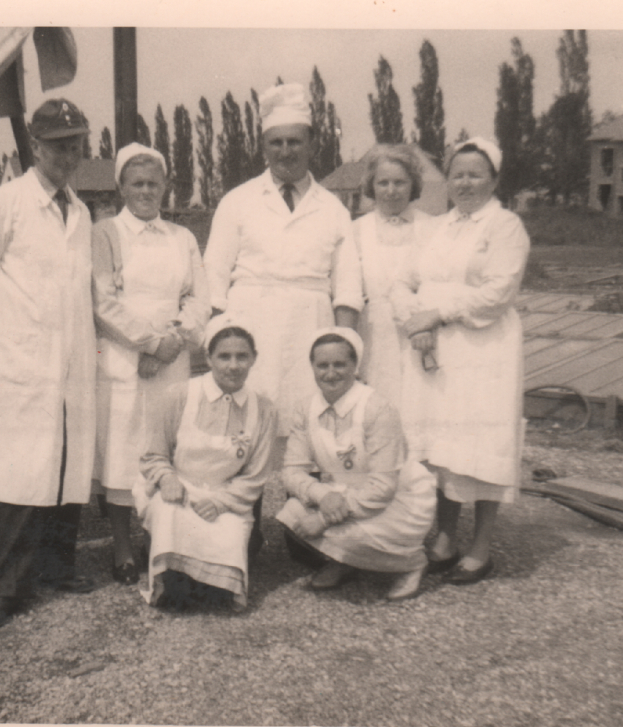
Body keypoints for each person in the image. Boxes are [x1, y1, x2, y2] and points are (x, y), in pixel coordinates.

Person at [0, 98, 97, 631]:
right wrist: (0, 351)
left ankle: (58, 568)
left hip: (70, 364)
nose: (67, 153)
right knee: (19, 476)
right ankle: (4, 592)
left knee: (64, 466)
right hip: (20, 364)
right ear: (34, 146)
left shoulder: (79, 212)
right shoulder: (5, 204)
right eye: (57, 144)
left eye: (75, 143)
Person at [203, 82, 364, 549]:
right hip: (251, 326)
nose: (286, 152)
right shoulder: (237, 201)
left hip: (311, 327)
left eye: (295, 141)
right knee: (245, 431)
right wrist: (219, 340)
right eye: (276, 142)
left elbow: (348, 287)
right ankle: (241, 533)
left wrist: (345, 350)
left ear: (313, 143)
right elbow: (214, 278)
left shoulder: (333, 209)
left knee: (312, 430)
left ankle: (307, 532)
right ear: (264, 146)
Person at [391, 137, 530, 585]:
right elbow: (403, 281)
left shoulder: (505, 227)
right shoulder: (435, 227)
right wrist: (415, 321)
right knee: (441, 446)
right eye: (457, 174)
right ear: (446, 180)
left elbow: (497, 293)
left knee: (482, 443)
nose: (465, 183)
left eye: (474, 174)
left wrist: (439, 312)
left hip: (484, 351)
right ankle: (445, 538)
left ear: (493, 178)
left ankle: (482, 546)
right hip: (433, 350)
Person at [92, 143, 210, 586]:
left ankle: (159, 537)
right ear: (121, 186)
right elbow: (103, 302)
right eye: (136, 183)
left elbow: (200, 298)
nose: (145, 191)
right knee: (123, 451)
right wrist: (147, 344)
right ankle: (122, 547)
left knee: (166, 447)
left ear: (166, 187)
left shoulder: (182, 238)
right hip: (123, 359)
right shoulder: (104, 233)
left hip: (171, 361)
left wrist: (175, 339)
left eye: (153, 184)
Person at [276, 328, 437, 601]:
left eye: (340, 364)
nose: (330, 373)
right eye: (322, 365)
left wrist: (325, 518)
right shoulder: (305, 408)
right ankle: (346, 562)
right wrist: (323, 495)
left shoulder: (377, 408)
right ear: (312, 367)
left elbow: (383, 488)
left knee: (333, 530)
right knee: (293, 513)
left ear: (355, 366)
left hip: (398, 501)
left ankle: (411, 563)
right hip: (343, 495)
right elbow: (291, 471)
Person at [134, 321, 276, 609]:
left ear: (254, 359)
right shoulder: (180, 395)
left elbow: (256, 475)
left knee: (221, 581)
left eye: (242, 357)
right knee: (169, 521)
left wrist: (221, 503)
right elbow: (153, 454)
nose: (233, 366)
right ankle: (164, 573)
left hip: (225, 497)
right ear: (209, 358)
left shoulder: (264, 408)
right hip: (178, 489)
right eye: (224, 357)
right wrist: (168, 480)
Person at [353, 144, 434, 404]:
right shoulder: (355, 231)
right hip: (373, 337)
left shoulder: (433, 228)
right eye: (383, 182)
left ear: (413, 184)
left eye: (400, 182)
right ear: (371, 185)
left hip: (421, 336)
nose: (391, 191)